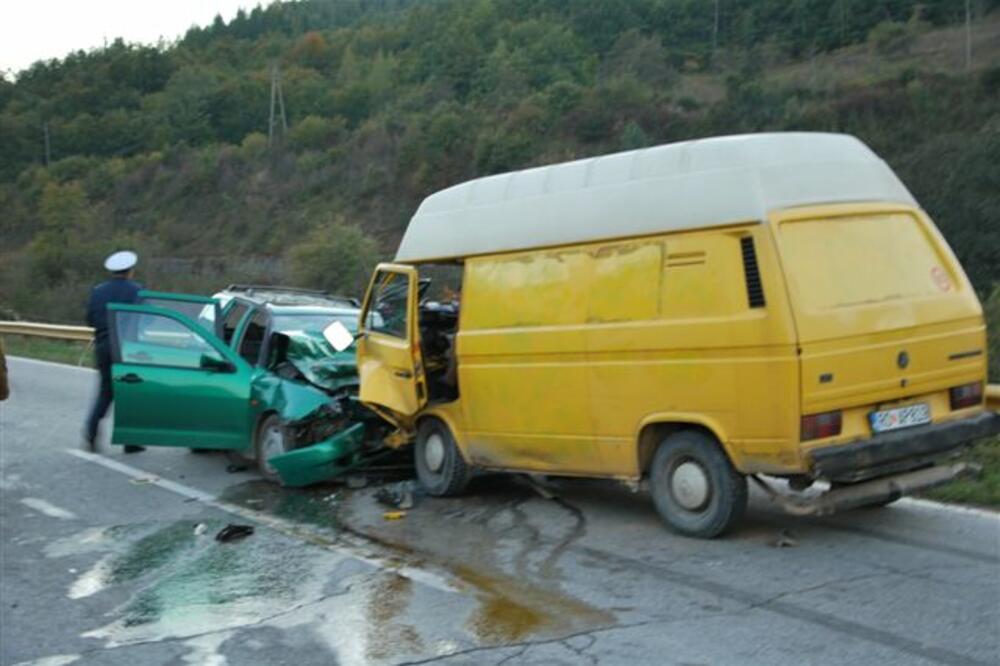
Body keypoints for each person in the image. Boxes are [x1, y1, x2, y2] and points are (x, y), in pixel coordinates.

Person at [84, 251, 145, 453]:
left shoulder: (98, 291)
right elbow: (147, 318)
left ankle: (91, 432)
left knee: (105, 391)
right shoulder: (137, 291)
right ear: (130, 271)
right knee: (130, 393)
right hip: (127, 348)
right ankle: (130, 441)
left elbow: (90, 319)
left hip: (103, 346)